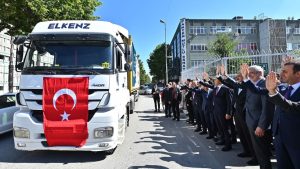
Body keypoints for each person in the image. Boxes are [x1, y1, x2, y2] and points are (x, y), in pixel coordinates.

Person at [266, 61, 300, 169]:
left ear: (298, 74)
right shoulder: (284, 88)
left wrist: (273, 91)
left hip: (296, 140)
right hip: (280, 137)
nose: (281, 74)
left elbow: (292, 106)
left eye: (285, 71)